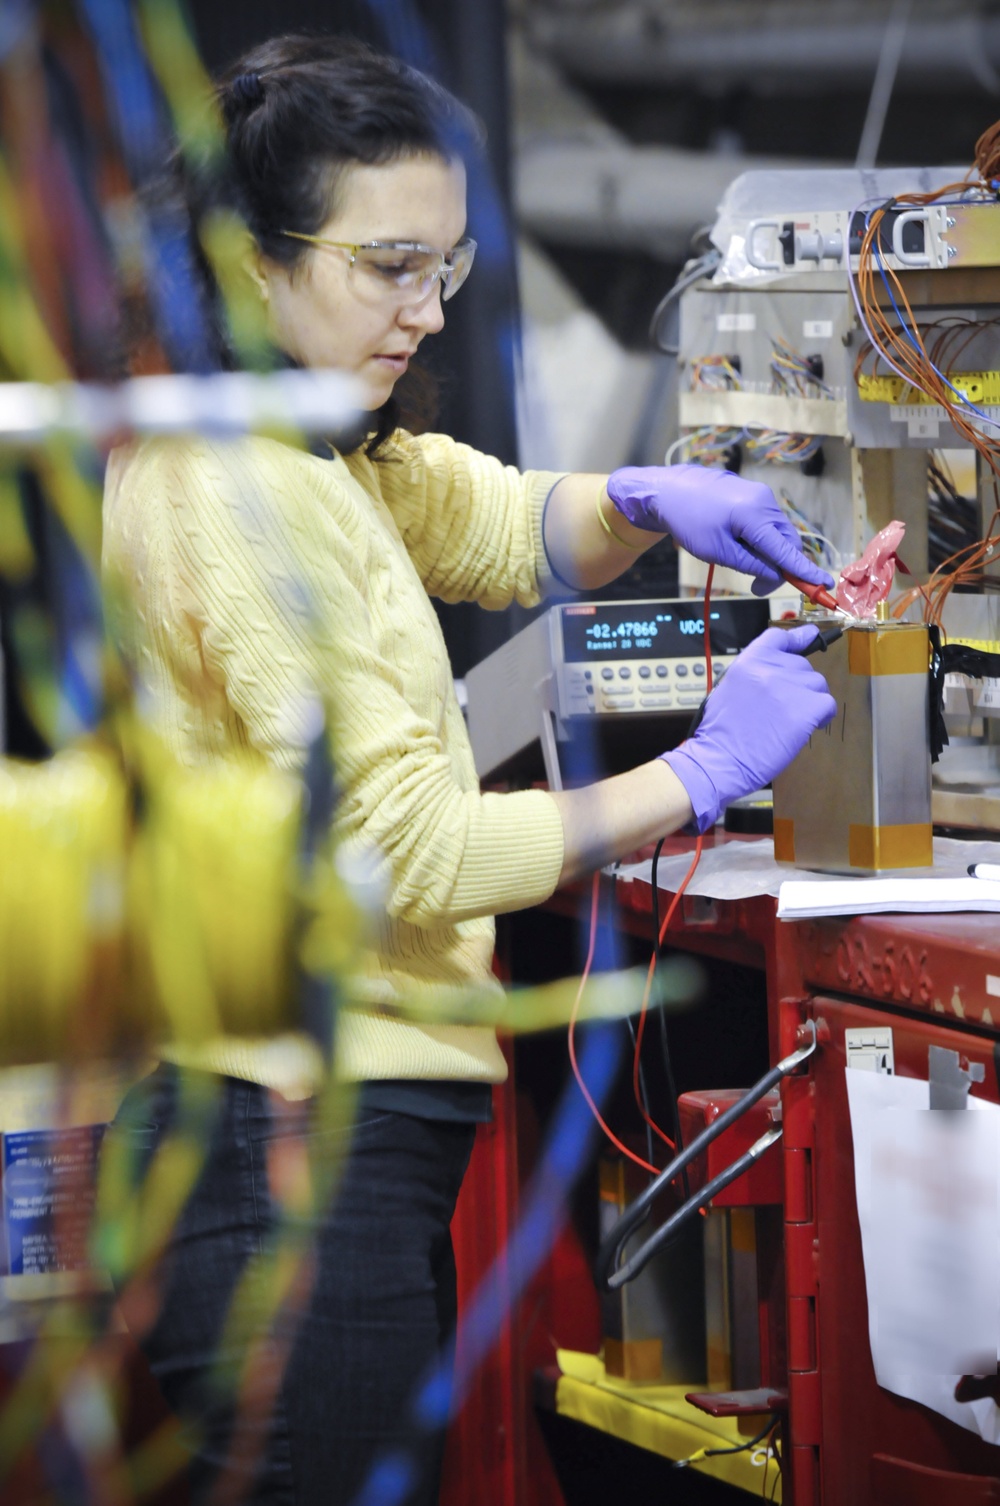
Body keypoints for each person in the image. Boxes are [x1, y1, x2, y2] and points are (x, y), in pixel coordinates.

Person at [100, 31, 837, 1506]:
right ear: (252, 262)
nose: (428, 314)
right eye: (389, 268)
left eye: (447, 270)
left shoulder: (309, 447)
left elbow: (497, 523)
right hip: (290, 1152)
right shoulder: (246, 495)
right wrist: (699, 772)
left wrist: (639, 497)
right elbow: (413, 853)